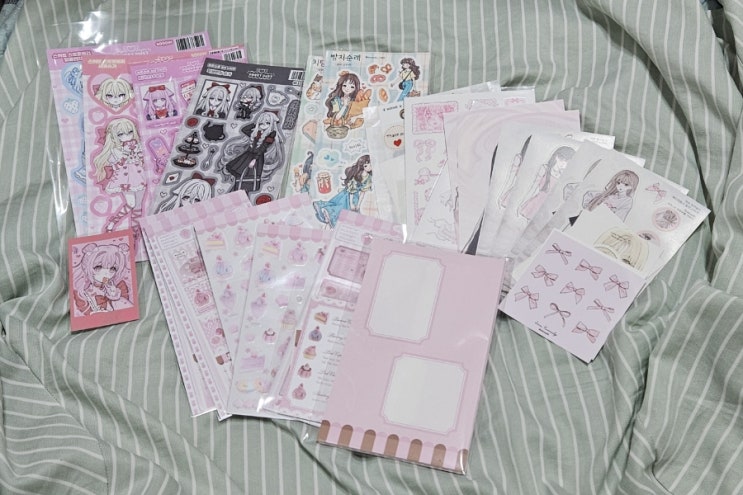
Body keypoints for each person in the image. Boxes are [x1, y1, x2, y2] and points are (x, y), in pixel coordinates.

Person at [92, 118, 146, 233]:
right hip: (125, 179)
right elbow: (115, 167)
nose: (127, 136)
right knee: (131, 204)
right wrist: (124, 155)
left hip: (140, 177)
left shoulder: (138, 146)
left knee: (138, 206)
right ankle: (112, 223)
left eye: (130, 132)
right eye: (121, 134)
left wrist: (139, 154)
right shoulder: (116, 151)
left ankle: (135, 231)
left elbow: (143, 161)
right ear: (113, 137)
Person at [222, 110, 284, 193]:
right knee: (240, 176)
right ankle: (234, 192)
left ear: (272, 124)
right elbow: (244, 130)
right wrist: (256, 124)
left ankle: (241, 194)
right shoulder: (256, 133)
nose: (264, 125)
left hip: (257, 158)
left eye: (267, 123)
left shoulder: (270, 135)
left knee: (248, 178)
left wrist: (255, 159)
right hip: (247, 156)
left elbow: (263, 148)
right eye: (261, 123)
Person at [72, 241, 133, 315]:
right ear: (87, 267)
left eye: (112, 269)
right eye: (98, 267)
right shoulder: (84, 293)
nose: (106, 273)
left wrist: (112, 291)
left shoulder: (115, 287)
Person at [313, 154, 372, 228]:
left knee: (348, 211)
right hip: (348, 195)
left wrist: (358, 205)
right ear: (362, 166)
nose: (369, 167)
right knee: (340, 207)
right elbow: (352, 191)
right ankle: (327, 213)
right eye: (366, 165)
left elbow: (363, 192)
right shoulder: (357, 175)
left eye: (370, 165)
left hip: (355, 197)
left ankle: (329, 215)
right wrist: (351, 203)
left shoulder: (368, 178)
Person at [517, 145, 575, 219]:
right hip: (536, 204)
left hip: (549, 208)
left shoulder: (564, 177)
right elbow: (533, 188)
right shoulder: (545, 169)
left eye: (567, 162)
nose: (563, 164)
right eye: (562, 159)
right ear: (556, 157)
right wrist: (522, 203)